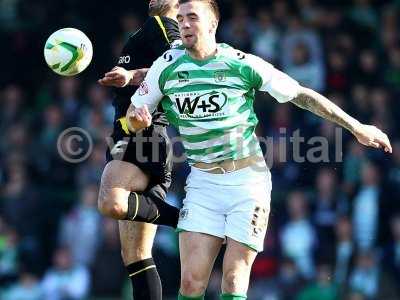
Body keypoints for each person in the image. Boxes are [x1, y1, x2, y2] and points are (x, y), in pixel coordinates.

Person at [127, 0, 392, 299]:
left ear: (213, 24)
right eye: (181, 18)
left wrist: (357, 127)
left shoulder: (241, 63)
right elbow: (135, 115)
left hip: (246, 182)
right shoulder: (166, 65)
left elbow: (301, 95)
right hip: (202, 183)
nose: (185, 24)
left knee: (234, 278)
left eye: (192, 17)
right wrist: (137, 121)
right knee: (190, 283)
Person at [97, 1, 181, 300]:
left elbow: (179, 66)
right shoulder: (151, 29)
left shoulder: (164, 25)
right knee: (136, 255)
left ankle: (188, 220)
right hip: (140, 136)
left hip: (141, 135)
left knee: (111, 202)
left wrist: (130, 76)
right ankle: (186, 220)